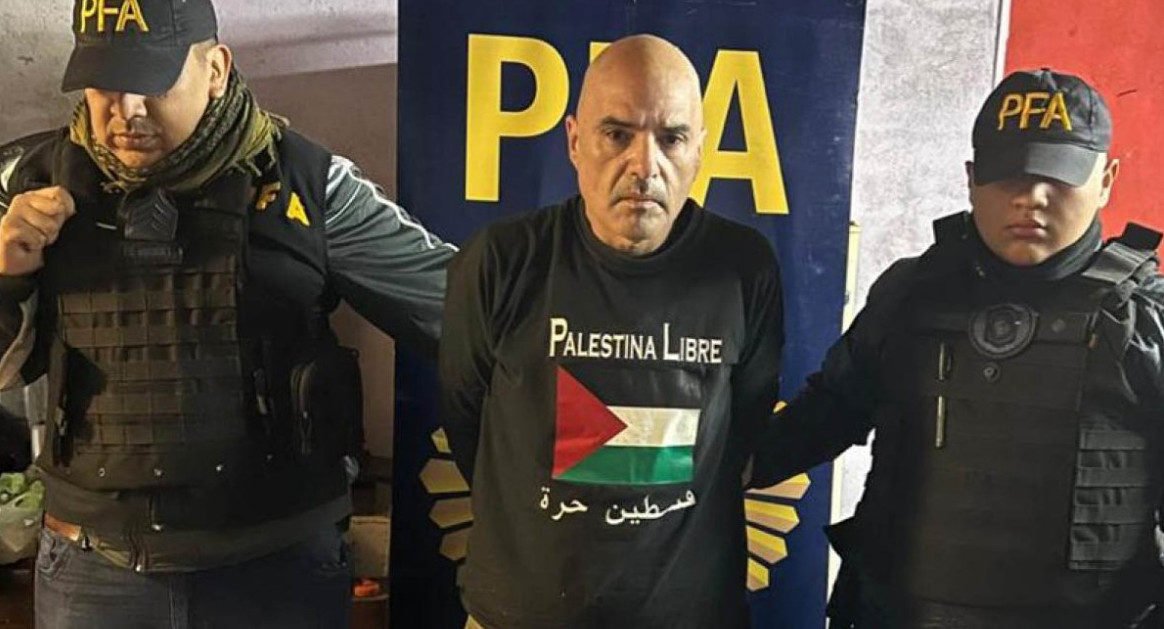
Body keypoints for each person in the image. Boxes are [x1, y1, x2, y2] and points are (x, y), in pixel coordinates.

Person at [0, 0, 455, 626]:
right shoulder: (30, 183)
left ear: (215, 69)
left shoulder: (308, 184)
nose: (126, 111)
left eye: (152, 82)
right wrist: (6, 275)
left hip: (273, 569)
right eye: (104, 86)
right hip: (95, 570)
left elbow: (457, 307)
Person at [752, 68, 1164, 628]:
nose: (1031, 198)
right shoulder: (910, 296)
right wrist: (707, 470)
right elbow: (826, 415)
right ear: (971, 179)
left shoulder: (1145, 319)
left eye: (1057, 175)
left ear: (1107, 179)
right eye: (1007, 175)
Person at [439, 34, 785, 629]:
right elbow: (466, 421)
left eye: (671, 138)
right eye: (618, 134)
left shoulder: (743, 268)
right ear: (575, 141)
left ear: (700, 150)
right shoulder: (500, 260)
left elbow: (744, 431)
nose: (645, 165)